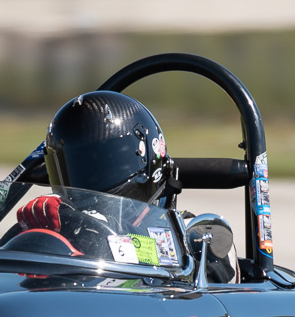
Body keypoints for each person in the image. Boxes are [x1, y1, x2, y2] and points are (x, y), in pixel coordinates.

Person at [10, 90, 175, 260]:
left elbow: (163, 258)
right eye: (76, 168)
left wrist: (97, 232)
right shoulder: (68, 227)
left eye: (102, 167)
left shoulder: (183, 233)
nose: (88, 180)